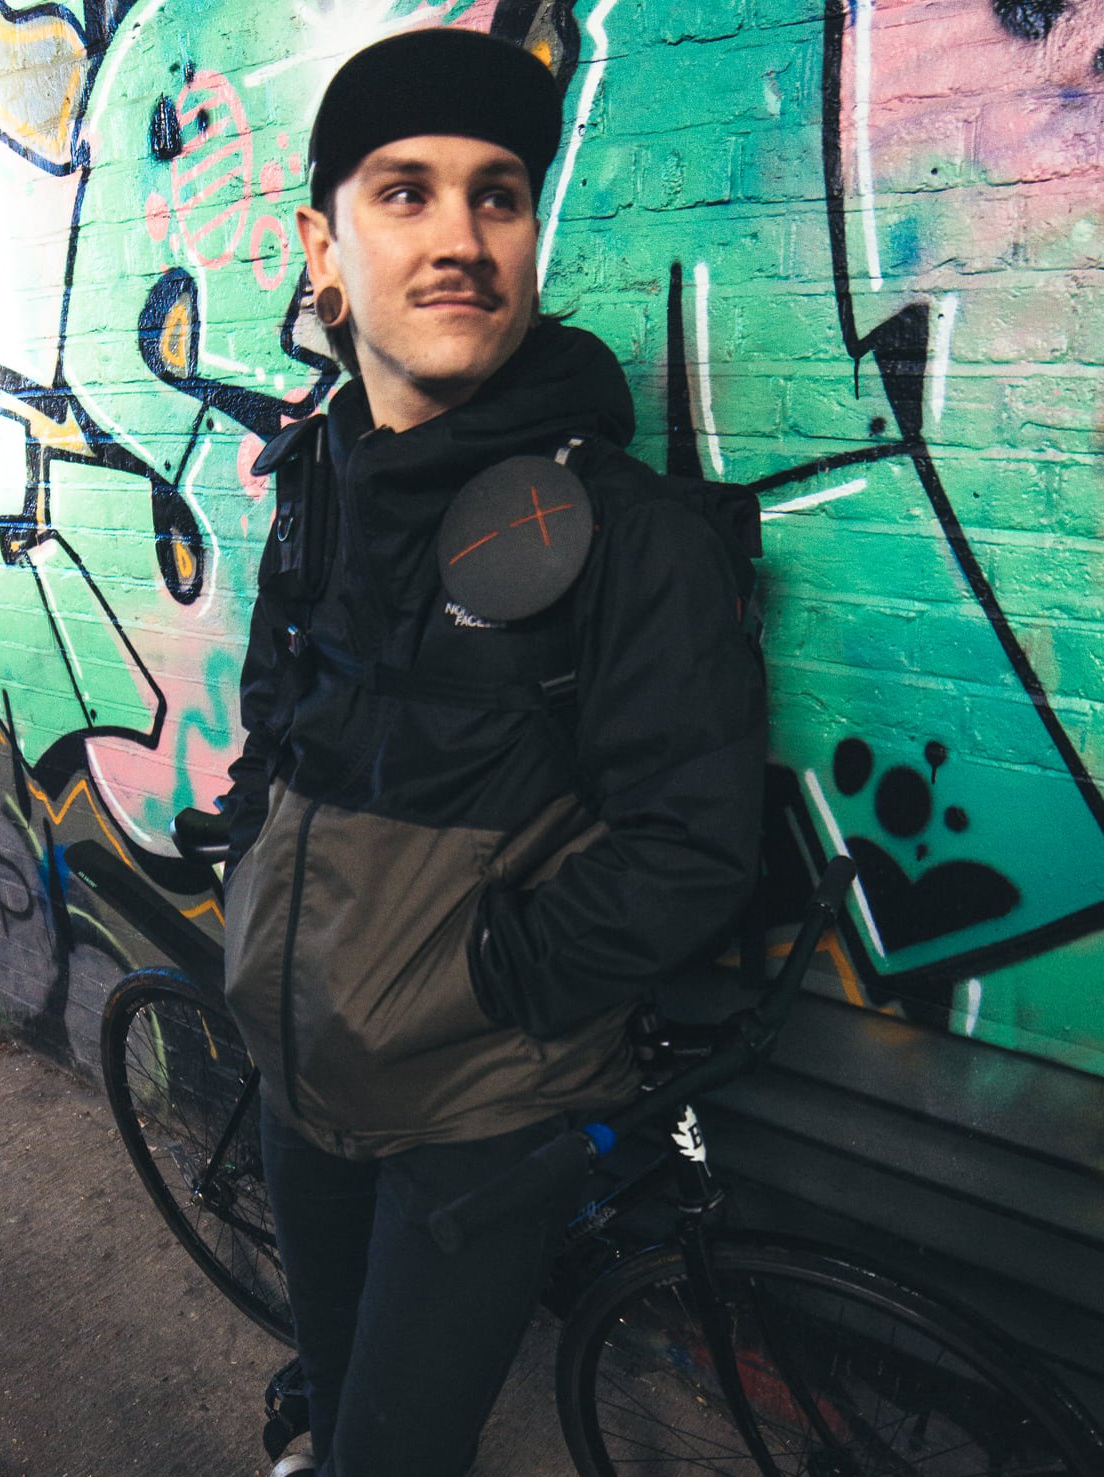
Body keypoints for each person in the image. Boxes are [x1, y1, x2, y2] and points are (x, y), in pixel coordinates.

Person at [221, 26, 766, 1477]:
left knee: (396, 1452)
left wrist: (476, 981)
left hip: (477, 1113)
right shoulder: (317, 484)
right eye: (403, 192)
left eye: (498, 194)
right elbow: (277, 710)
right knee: (335, 1388)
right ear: (320, 249)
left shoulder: (623, 532)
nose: (460, 237)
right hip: (298, 1078)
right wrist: (249, 873)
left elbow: (692, 841)